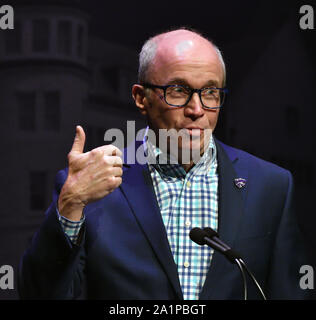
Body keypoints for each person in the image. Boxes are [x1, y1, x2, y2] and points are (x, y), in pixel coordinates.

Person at [19, 28, 309, 300]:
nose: (197, 110)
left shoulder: (270, 186)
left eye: (210, 92)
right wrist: (70, 204)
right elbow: (40, 294)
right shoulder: (93, 187)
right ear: (140, 98)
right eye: (179, 90)